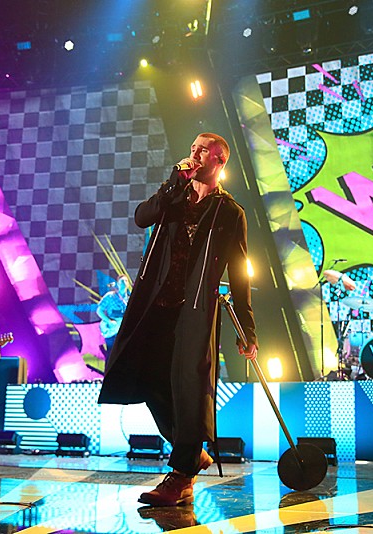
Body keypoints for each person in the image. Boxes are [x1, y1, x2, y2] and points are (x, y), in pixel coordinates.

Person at [98, 132, 258, 507]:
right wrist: (172, 185)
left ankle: (181, 477)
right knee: (147, 379)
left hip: (196, 312)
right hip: (156, 306)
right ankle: (191, 452)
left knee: (189, 389)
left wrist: (247, 328)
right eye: (192, 148)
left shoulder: (229, 213)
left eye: (202, 150)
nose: (194, 154)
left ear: (219, 160)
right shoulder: (173, 198)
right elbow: (141, 217)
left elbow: (240, 272)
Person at [96, 274, 131, 356]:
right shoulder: (110, 296)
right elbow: (99, 311)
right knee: (111, 355)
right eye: (122, 281)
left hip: (124, 331)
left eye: (126, 281)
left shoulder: (130, 299)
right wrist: (109, 321)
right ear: (118, 283)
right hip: (112, 330)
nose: (124, 283)